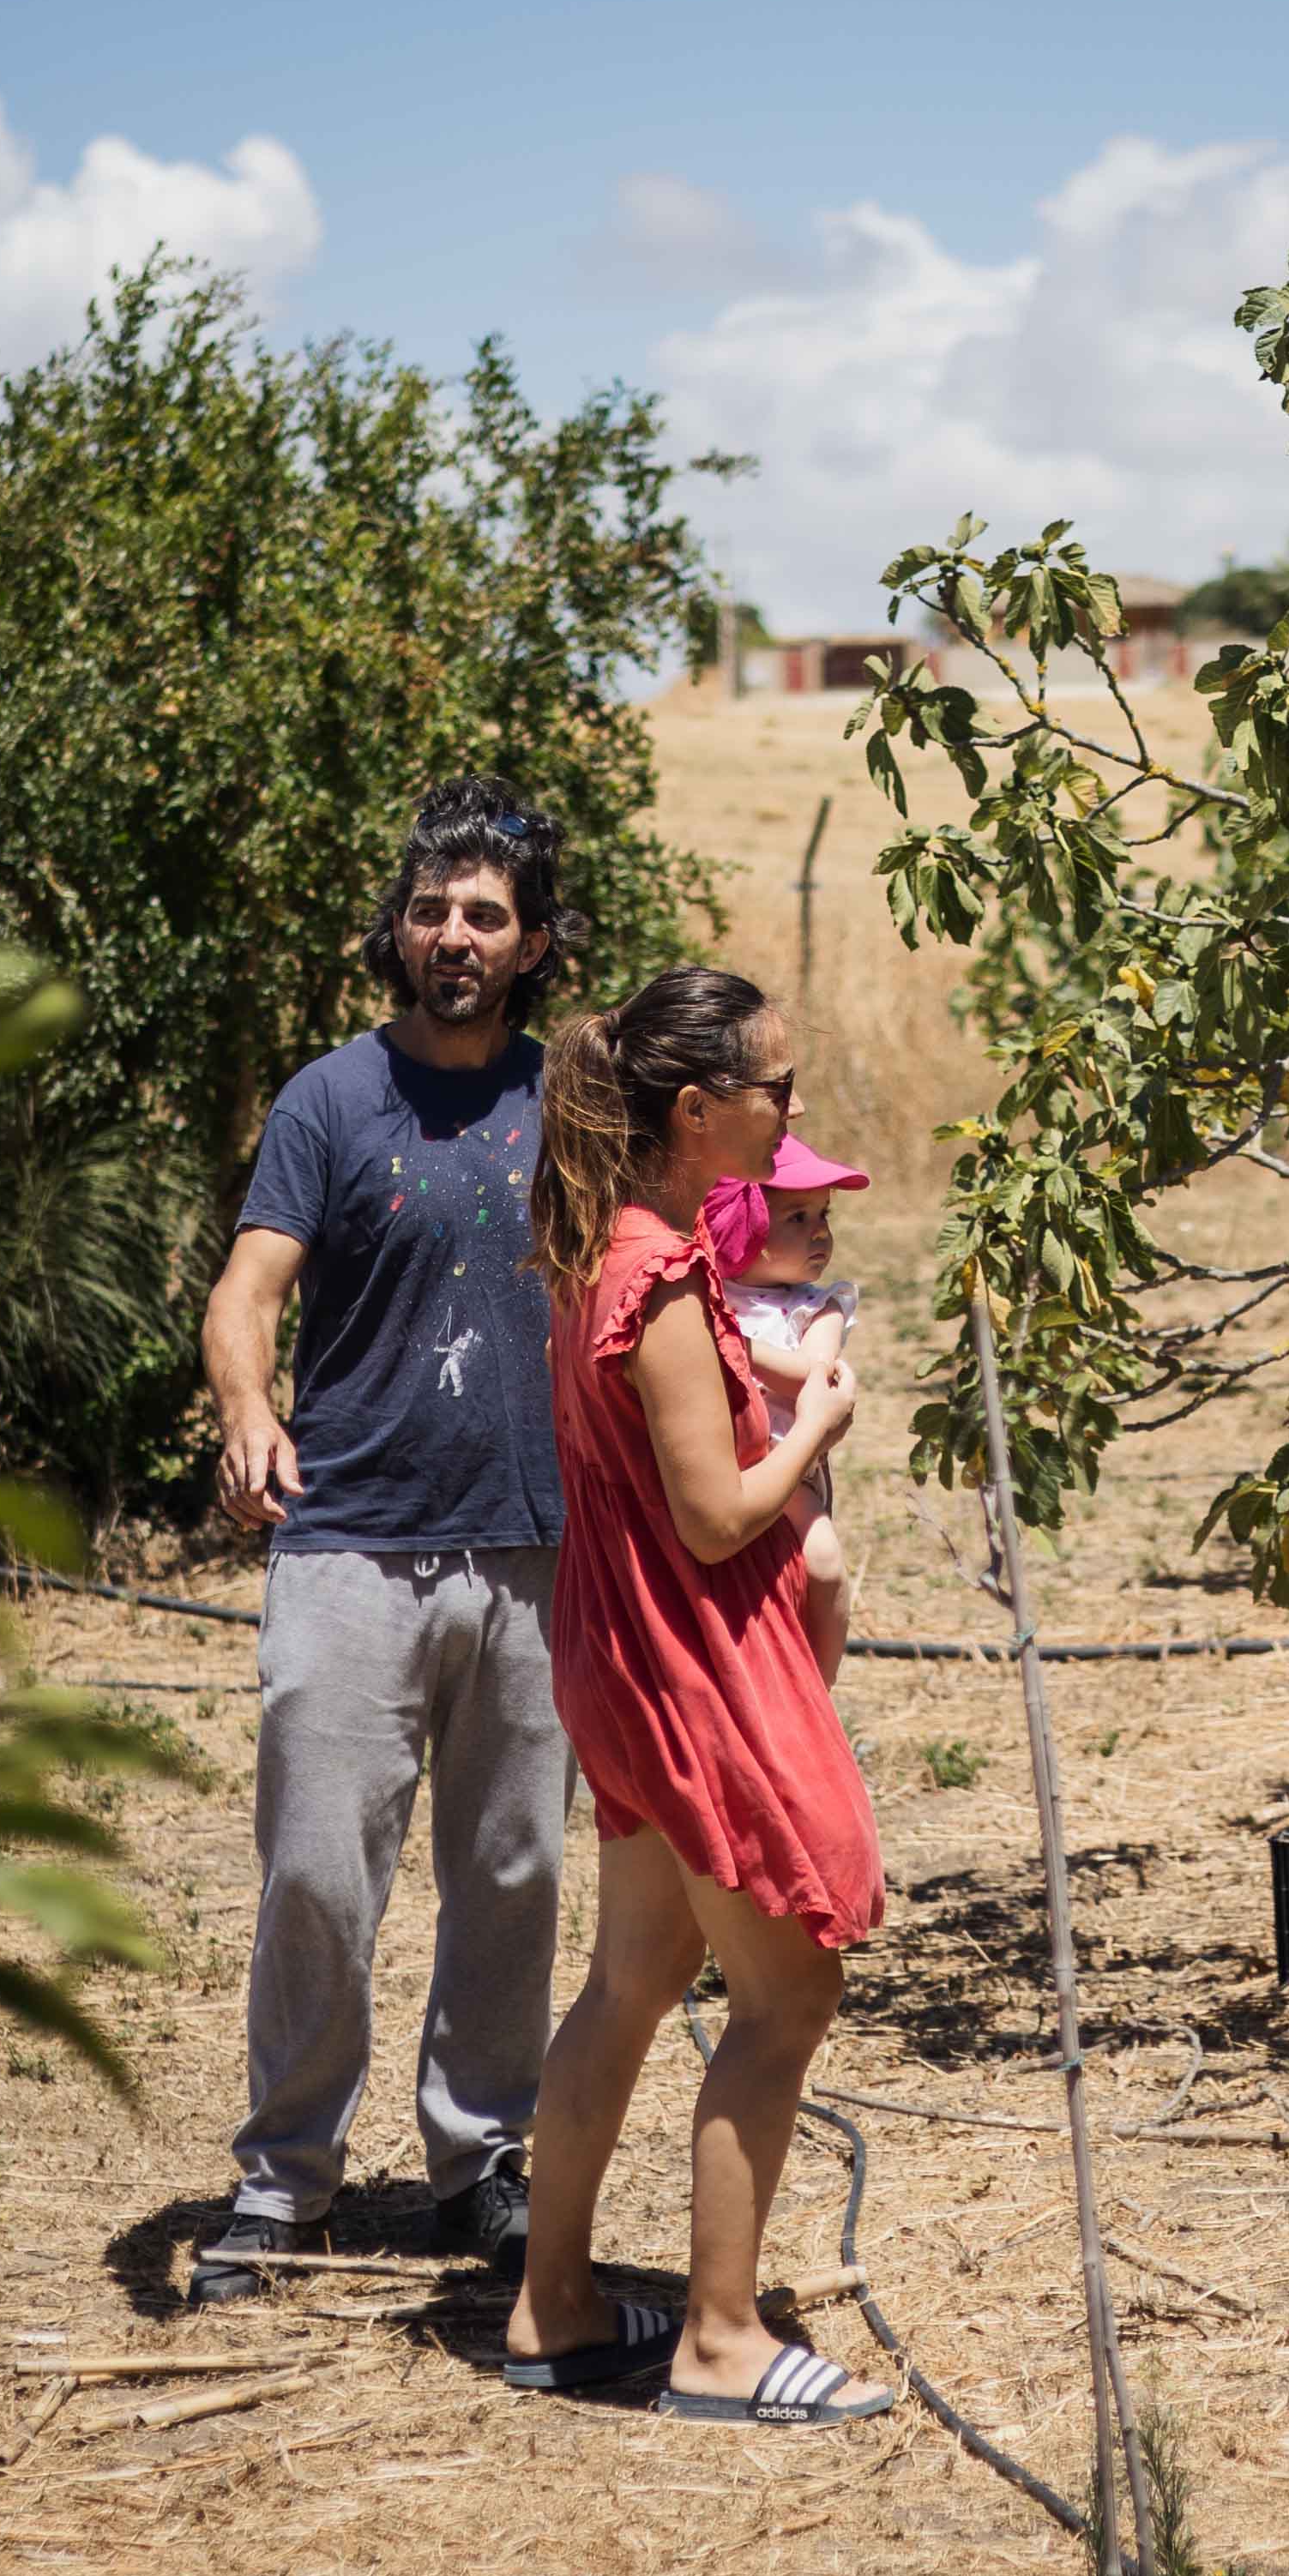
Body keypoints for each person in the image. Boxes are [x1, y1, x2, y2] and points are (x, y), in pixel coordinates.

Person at [191, 777, 573, 2302]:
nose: (453, 934)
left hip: (538, 1548)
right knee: (316, 1874)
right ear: (396, 933)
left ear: (533, 938)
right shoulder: (329, 1099)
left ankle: (477, 2165)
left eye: (485, 912)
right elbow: (247, 1292)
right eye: (429, 909)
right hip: (349, 1537)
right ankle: (283, 2177)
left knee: (512, 1873)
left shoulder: (575, 1096)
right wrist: (244, 1407)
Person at [496, 968, 894, 2422]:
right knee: (791, 1988)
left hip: (620, 1652)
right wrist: (824, 1425)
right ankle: (721, 2337)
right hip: (688, 1658)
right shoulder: (656, 1275)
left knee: (634, 1979)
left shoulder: (601, 1243)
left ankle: (554, 2303)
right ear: (693, 1106)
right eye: (770, 1086)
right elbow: (718, 1514)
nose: (788, 1108)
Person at [707, 1134, 869, 1682]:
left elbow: (812, 1376)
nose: (820, 1231)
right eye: (796, 1217)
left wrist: (729, 1344)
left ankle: (818, 1687)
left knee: (821, 1563)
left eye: (823, 1214)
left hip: (788, 1476)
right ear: (738, 1223)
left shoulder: (816, 1310)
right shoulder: (704, 1297)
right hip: (716, 1477)